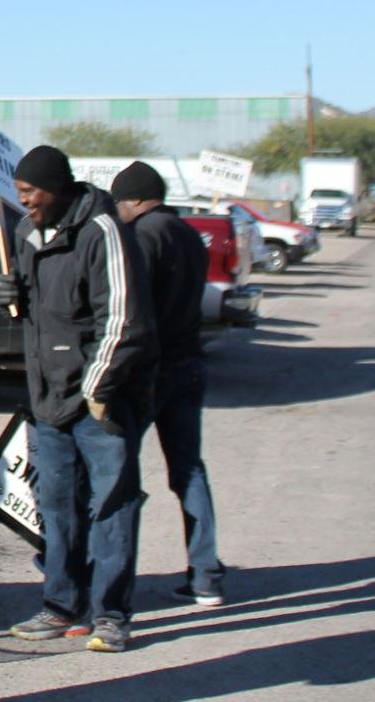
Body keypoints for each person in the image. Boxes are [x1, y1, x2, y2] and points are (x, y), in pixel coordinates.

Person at [0, 145, 156, 653]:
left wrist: (96, 389)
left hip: (100, 401)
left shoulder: (104, 231)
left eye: (30, 193)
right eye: (19, 193)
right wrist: (10, 298)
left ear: (57, 189)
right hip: (48, 398)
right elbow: (33, 314)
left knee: (112, 504)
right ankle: (62, 605)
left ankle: (111, 613)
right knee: (56, 507)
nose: (24, 203)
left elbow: (124, 319)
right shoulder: (24, 234)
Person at [110, 161, 225, 606]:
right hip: (190, 364)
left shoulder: (142, 236)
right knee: (190, 470)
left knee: (121, 474)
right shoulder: (190, 235)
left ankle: (116, 580)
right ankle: (206, 574)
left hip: (150, 373)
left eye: (119, 202)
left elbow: (133, 308)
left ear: (133, 200)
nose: (118, 211)